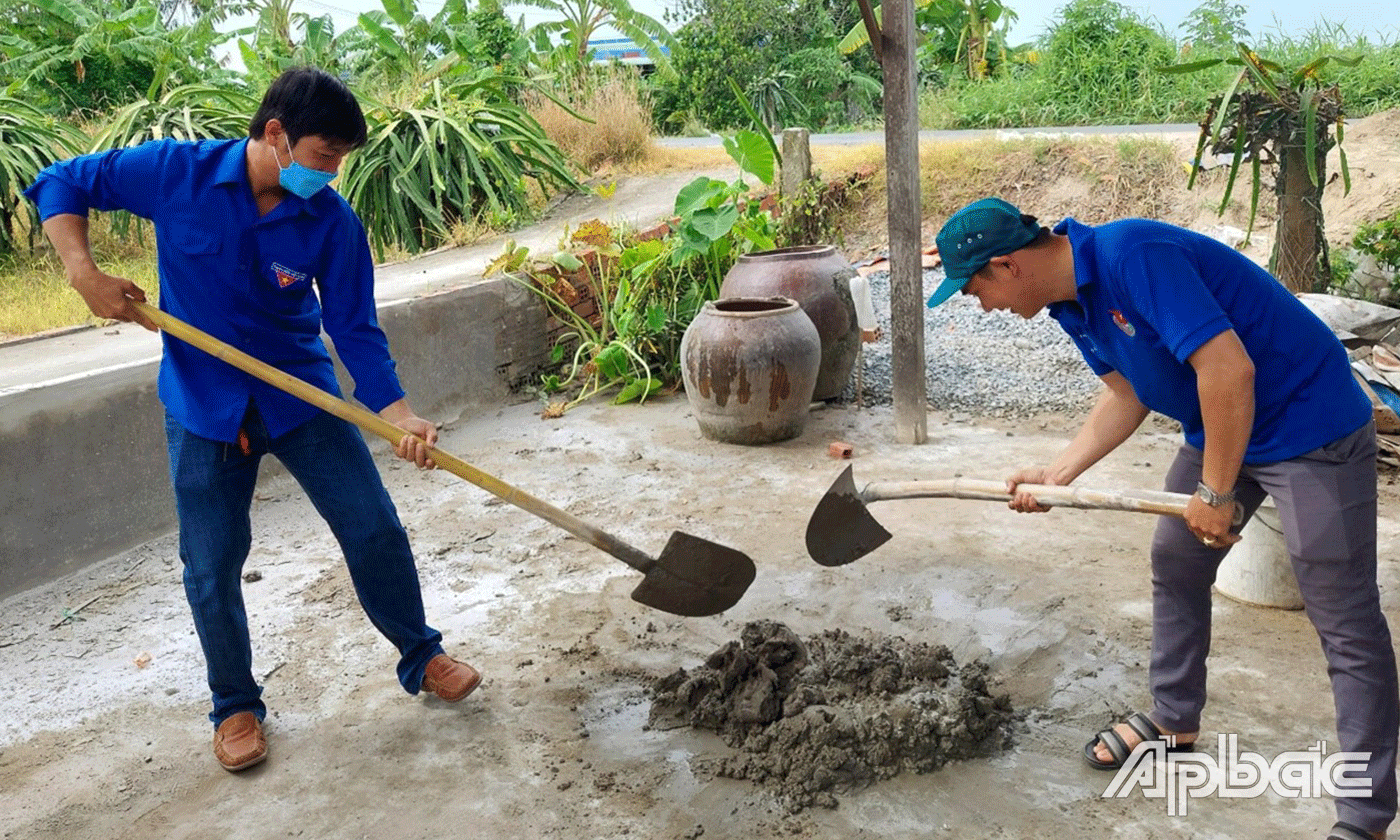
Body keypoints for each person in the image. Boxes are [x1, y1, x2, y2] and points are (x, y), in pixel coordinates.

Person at [24, 66, 482, 773]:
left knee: (374, 527)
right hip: (203, 403)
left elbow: (356, 328)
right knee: (210, 565)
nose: (330, 174)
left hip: (301, 395)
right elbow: (61, 181)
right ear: (276, 134)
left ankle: (423, 655)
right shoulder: (174, 173)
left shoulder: (331, 220)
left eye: (339, 162)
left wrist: (400, 416)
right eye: (324, 156)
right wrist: (83, 275)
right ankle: (235, 706)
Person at [927, 197, 1398, 840]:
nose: (983, 305)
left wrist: (1214, 491)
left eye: (975, 288)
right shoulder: (1070, 302)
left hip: (1308, 424)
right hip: (1226, 424)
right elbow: (1127, 390)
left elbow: (1229, 370)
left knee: (1342, 614)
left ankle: (1366, 814)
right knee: (1177, 560)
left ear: (1007, 265)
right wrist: (1060, 473)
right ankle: (1175, 718)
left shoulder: (1133, 255)